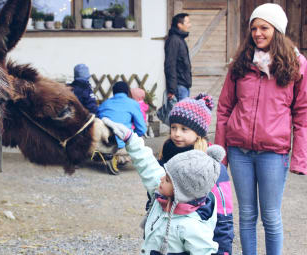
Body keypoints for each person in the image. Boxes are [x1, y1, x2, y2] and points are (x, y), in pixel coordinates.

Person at [215, 3, 307, 255]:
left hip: (273, 154)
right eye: (253, 28)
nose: (257, 33)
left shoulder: (296, 64)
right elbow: (224, 109)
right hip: (239, 151)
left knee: (271, 216)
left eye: (264, 27)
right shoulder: (241, 64)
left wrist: (299, 158)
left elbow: (302, 114)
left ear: (276, 30)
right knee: (246, 214)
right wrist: (220, 152)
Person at [102, 117, 224, 255]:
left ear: (181, 191)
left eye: (166, 179)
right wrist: (130, 139)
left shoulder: (192, 227)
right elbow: (148, 165)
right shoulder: (164, 196)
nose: (161, 178)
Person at [155, 93, 234, 255]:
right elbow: (155, 195)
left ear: (199, 132)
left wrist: (224, 250)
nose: (177, 133)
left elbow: (223, 213)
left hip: (198, 240)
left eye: (184, 129)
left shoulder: (209, 166)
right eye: (173, 127)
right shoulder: (167, 154)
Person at [97, 81, 147, 150]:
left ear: (113, 92)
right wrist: (131, 136)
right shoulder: (133, 104)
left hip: (104, 146)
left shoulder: (103, 104)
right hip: (124, 145)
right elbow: (142, 129)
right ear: (127, 92)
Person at [164, 13, 192, 102]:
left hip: (184, 86)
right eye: (187, 22)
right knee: (180, 115)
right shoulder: (174, 40)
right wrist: (172, 89)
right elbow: (170, 65)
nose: (190, 25)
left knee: (183, 114)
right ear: (180, 25)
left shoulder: (180, 39)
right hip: (179, 87)